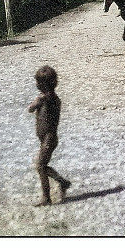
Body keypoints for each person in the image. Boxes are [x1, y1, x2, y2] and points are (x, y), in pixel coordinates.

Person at [28, 65, 71, 206]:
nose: (36, 85)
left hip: (48, 139)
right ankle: (62, 182)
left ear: (42, 85)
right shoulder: (55, 98)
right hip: (49, 138)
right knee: (42, 165)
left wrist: (37, 101)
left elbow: (30, 109)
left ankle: (46, 198)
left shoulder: (43, 99)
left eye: (38, 82)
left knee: (40, 166)